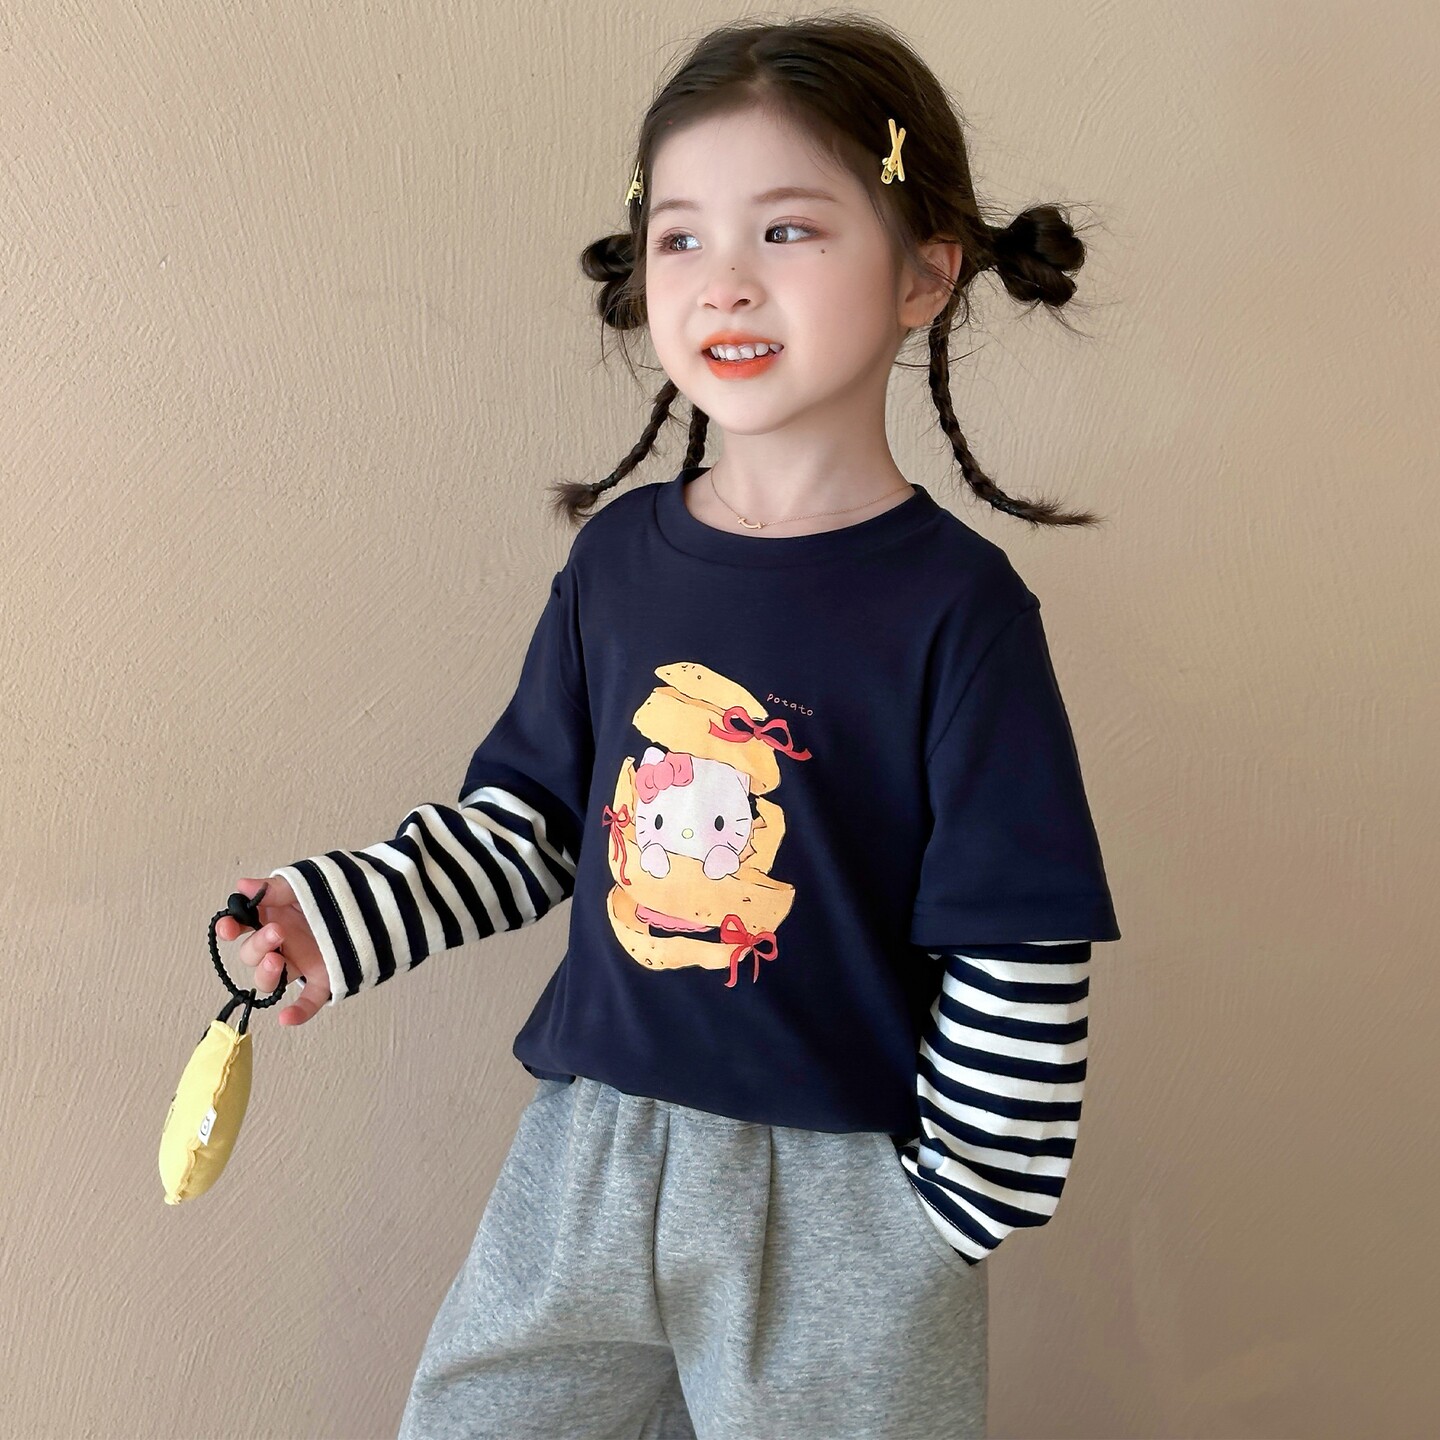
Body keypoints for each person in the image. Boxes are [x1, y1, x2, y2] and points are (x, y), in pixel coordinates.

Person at [217, 14, 1121, 1439]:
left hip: (840, 1200)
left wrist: (951, 1210)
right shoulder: (619, 563)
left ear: (926, 273)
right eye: (683, 236)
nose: (725, 280)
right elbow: (527, 827)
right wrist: (334, 916)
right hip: (586, 1156)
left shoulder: (961, 611)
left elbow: (1018, 932)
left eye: (789, 229)